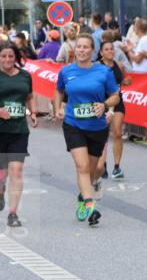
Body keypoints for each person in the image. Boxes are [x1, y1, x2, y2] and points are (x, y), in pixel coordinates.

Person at [53, 35, 120, 225]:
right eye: (79, 47)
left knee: (95, 168)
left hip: (97, 126)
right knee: (82, 166)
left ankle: (84, 196)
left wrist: (104, 105)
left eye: (85, 47)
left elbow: (115, 96)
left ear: (92, 50)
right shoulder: (66, 71)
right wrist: (58, 107)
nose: (82, 50)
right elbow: (59, 90)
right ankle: (90, 206)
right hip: (73, 124)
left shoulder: (104, 72)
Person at [0, 43, 37, 227]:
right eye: (3, 56)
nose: (8, 60)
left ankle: (13, 213)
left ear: (16, 57)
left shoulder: (25, 76)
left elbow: (29, 97)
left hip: (18, 131)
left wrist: (33, 113)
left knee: (16, 171)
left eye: (11, 56)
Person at [95, 39, 130, 181]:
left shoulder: (119, 65)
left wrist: (125, 82)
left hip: (117, 100)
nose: (110, 51)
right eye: (107, 49)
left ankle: (117, 167)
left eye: (112, 49)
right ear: (101, 52)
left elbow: (118, 82)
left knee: (117, 133)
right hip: (102, 102)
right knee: (101, 135)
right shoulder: (97, 66)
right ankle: (101, 164)